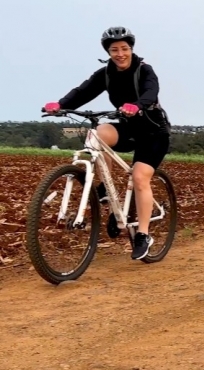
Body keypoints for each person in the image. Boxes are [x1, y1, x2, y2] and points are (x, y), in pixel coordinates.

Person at [42, 26, 172, 260]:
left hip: (153, 132)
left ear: (131, 49)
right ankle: (105, 190)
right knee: (98, 133)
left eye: (124, 48)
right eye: (114, 50)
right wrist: (60, 105)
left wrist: (138, 105)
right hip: (128, 128)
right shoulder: (106, 74)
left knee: (140, 177)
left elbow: (151, 91)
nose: (120, 53)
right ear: (108, 52)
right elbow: (82, 92)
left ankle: (143, 235)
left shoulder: (144, 70)